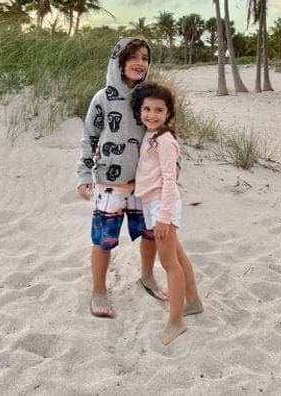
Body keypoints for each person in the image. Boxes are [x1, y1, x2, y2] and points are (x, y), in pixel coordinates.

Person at [77, 37, 167, 318]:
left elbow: (164, 134)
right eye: (134, 57)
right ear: (119, 60)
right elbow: (89, 137)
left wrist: (172, 164)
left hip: (145, 182)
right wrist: (83, 173)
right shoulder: (102, 98)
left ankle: (147, 276)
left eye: (145, 58)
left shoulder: (150, 98)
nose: (140, 63)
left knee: (150, 234)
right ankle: (99, 290)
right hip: (109, 181)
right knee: (104, 239)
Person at [132, 82, 203, 345]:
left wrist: (163, 216)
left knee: (168, 262)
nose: (151, 114)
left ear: (168, 112)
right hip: (153, 203)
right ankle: (193, 301)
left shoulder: (164, 141)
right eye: (147, 109)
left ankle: (176, 322)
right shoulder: (149, 135)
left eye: (158, 110)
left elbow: (170, 180)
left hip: (163, 205)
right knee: (177, 254)